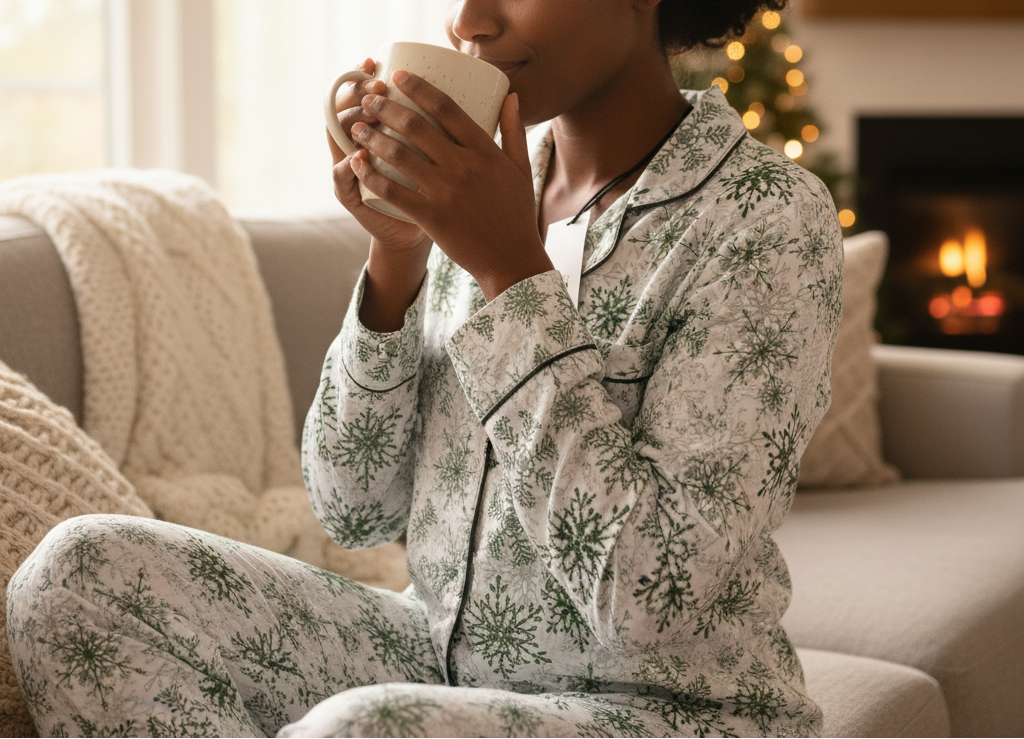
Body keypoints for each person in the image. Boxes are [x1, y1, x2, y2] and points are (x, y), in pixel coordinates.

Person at [8, 0, 841, 736]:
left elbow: (652, 603)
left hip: (668, 707)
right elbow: (353, 508)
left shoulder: (768, 221)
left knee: (366, 728)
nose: (471, 19)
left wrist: (512, 271)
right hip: (439, 656)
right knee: (74, 575)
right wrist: (396, 252)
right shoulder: (475, 186)